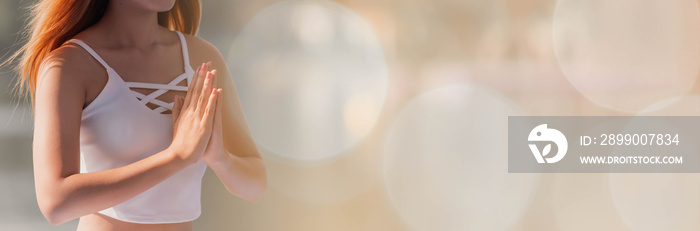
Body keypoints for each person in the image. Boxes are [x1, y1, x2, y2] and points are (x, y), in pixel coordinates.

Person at [7, 0, 268, 230]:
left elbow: (255, 186)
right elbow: (56, 203)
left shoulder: (202, 58)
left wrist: (219, 157)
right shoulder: (69, 66)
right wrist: (175, 157)